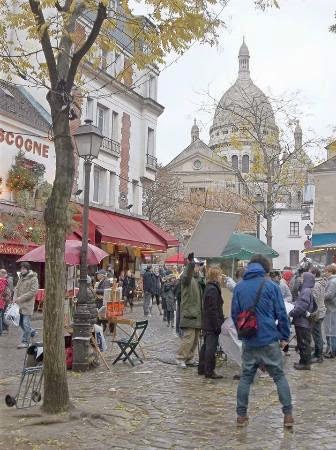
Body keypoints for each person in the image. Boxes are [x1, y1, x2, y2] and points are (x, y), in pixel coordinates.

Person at [231, 254, 293, 428]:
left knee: (246, 378)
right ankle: (288, 414)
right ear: (265, 269)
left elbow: (235, 315)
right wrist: (284, 337)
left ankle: (241, 416)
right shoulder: (271, 287)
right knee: (279, 376)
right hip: (269, 338)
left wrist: (241, 335)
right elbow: (281, 314)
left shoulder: (239, 287)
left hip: (250, 340)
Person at [176, 253, 203, 369]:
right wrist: (190, 264)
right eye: (197, 265)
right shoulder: (187, 279)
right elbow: (186, 275)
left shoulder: (197, 280)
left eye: (198, 265)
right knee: (188, 338)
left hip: (196, 314)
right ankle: (180, 358)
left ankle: (189, 358)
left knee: (195, 339)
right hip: (189, 314)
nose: (198, 267)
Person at [198, 266, 225, 379]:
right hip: (211, 323)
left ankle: (202, 368)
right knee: (210, 347)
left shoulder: (211, 288)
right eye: (220, 275)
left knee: (206, 346)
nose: (221, 277)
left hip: (209, 322)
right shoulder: (212, 289)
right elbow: (212, 309)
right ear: (215, 276)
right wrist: (217, 325)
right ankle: (209, 370)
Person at [289, 271, 316, 370]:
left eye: (302, 278)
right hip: (303, 321)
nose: (300, 279)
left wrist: (291, 313)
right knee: (302, 342)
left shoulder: (306, 291)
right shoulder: (306, 290)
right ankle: (303, 361)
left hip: (302, 322)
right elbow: (300, 303)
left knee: (304, 342)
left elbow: (301, 307)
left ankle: (305, 363)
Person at [14, 262, 39, 349]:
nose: (22, 270)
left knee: (25, 323)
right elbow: (17, 288)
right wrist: (14, 299)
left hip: (27, 304)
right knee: (20, 322)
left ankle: (25, 342)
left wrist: (21, 298)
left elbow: (33, 292)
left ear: (28, 269)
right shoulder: (21, 277)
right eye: (21, 268)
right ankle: (32, 332)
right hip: (19, 304)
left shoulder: (34, 278)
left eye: (24, 268)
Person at [310, 267, 327, 363]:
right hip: (321, 311)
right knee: (317, 333)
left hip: (317, 313)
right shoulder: (321, 282)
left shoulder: (316, 285)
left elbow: (314, 300)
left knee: (317, 334)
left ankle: (318, 355)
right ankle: (317, 353)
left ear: (314, 274)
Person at [324, 264, 336, 358]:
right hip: (333, 308)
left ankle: (332, 351)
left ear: (330, 272)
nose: (325, 273)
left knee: (331, 331)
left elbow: (329, 295)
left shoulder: (332, 281)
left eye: (326, 271)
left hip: (332, 308)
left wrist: (321, 296)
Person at [0, 269, 11, 335]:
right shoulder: (7, 281)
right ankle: (5, 327)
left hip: (2, 300)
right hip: (4, 300)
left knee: (1, 316)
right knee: (2, 316)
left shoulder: (2, 281)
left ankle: (2, 330)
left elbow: (1, 290)